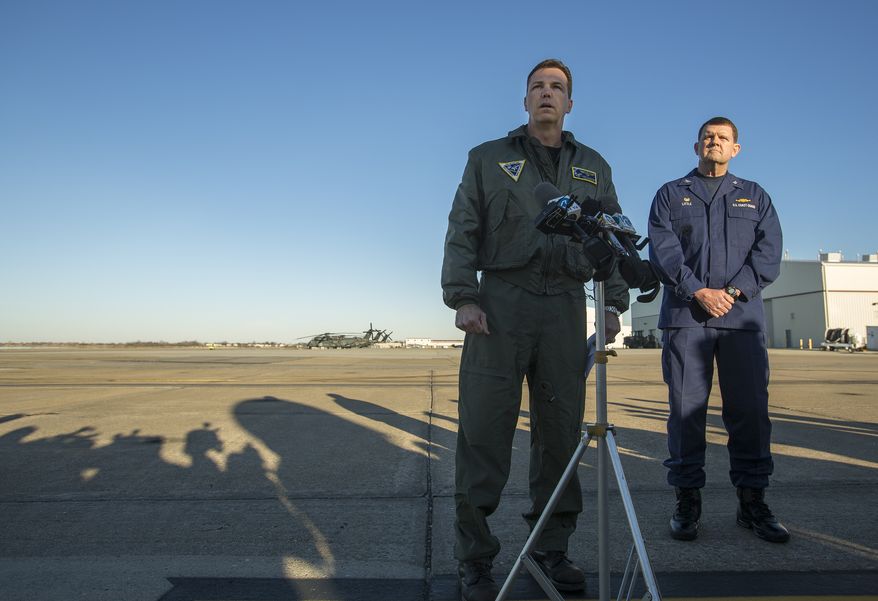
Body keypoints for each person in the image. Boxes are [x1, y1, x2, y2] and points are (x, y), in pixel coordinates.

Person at [441, 58, 629, 601]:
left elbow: (611, 235)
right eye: (538, 87)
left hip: (565, 307)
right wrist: (464, 296)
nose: (547, 95)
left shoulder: (594, 165)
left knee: (561, 433)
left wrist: (613, 303)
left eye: (557, 88)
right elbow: (463, 227)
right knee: (484, 431)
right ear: (525, 101)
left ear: (570, 103)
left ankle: (551, 547)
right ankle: (475, 557)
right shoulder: (488, 159)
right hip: (500, 305)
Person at [647, 117, 789, 544]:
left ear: (735, 149)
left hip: (740, 320)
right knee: (686, 413)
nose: (715, 143)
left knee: (749, 412)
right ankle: (687, 501)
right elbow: (663, 251)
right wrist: (697, 291)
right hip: (687, 318)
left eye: (723, 138)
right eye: (709, 137)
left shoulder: (754, 196)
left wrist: (730, 292)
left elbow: (769, 252)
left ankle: (752, 502)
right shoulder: (671, 195)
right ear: (696, 147)